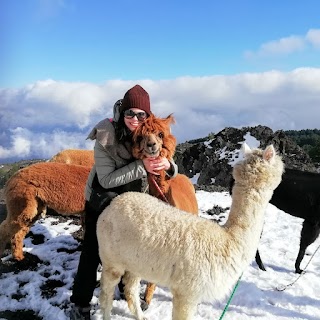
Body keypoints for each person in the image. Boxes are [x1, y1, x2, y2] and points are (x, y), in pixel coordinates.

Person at [69, 84, 178, 320]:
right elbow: (106, 179)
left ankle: (125, 289)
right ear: (123, 112)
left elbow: (166, 153)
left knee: (132, 246)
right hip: (103, 196)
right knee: (93, 250)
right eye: (131, 113)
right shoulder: (106, 135)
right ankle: (80, 302)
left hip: (133, 201)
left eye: (141, 114)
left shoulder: (152, 130)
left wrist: (169, 167)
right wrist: (142, 166)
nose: (135, 119)